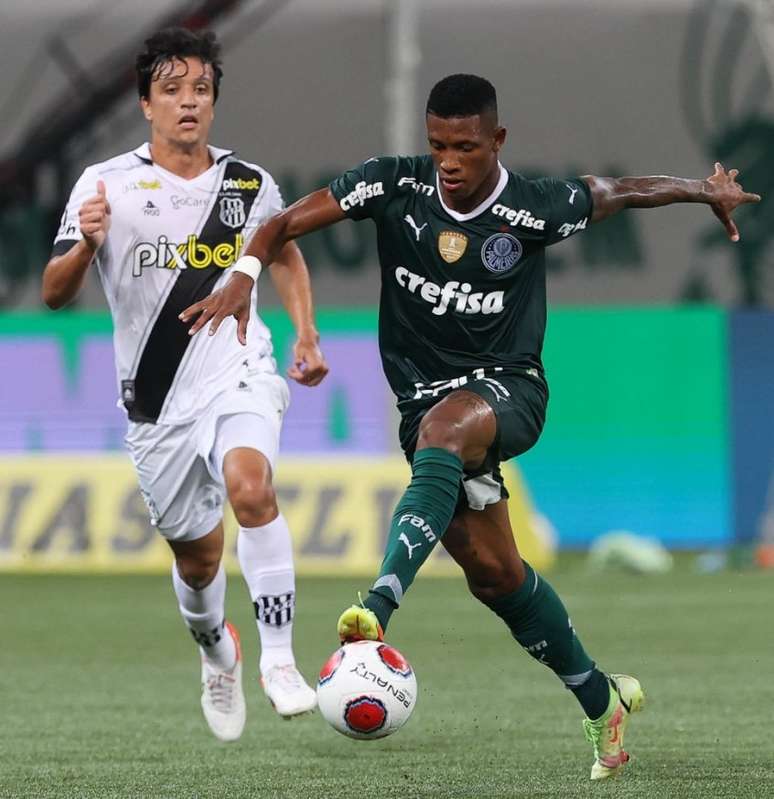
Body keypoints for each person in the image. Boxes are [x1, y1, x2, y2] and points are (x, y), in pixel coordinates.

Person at [181, 74, 760, 777]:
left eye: (464, 147)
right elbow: (280, 224)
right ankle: (602, 698)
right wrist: (243, 272)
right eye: (437, 146)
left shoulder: (533, 205)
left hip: (507, 391)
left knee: (447, 429)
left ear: (497, 140)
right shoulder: (393, 185)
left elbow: (621, 191)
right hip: (423, 411)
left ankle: (377, 606)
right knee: (495, 575)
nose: (449, 161)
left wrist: (702, 190)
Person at [41, 27, 328, 742]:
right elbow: (53, 292)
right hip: (157, 404)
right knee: (199, 563)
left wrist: (306, 334)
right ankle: (217, 652)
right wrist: (85, 243)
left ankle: (281, 661)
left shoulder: (249, 185)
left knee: (252, 487)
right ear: (145, 103)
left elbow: (284, 257)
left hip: (239, 370)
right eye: (172, 90)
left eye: (200, 89)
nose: (188, 103)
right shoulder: (104, 185)